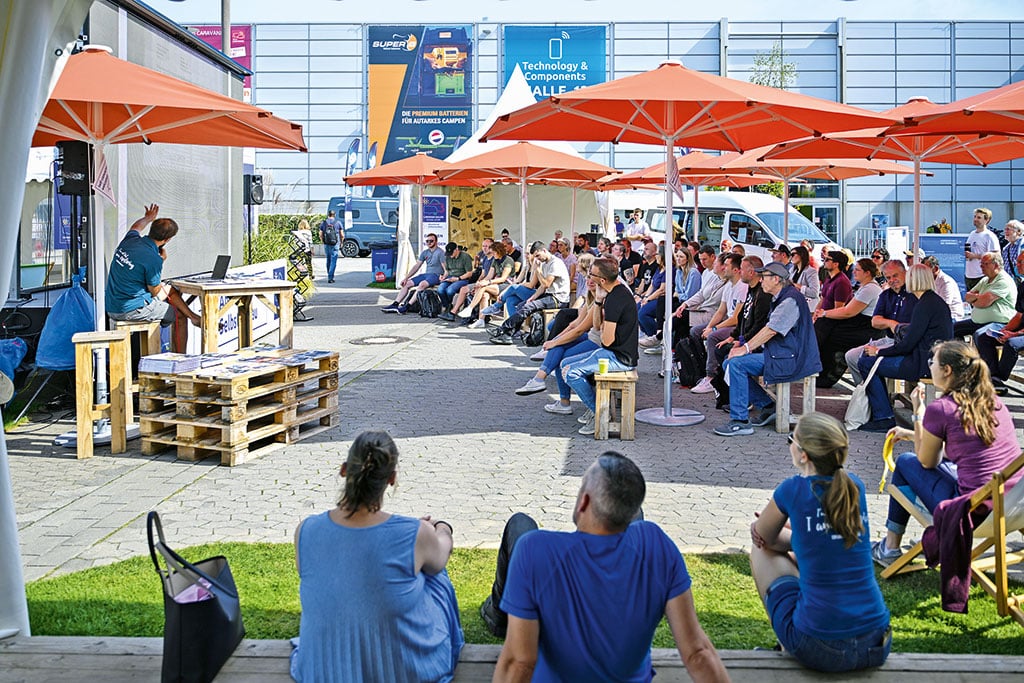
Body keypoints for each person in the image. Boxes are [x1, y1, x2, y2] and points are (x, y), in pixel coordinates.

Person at [483, 452, 729, 683]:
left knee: (521, 524)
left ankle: (497, 616)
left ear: (584, 501)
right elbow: (697, 652)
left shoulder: (534, 549)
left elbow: (520, 661)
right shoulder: (655, 544)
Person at [290, 431, 464, 682]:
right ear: (391, 479)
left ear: (343, 470)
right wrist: (441, 527)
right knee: (435, 576)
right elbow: (440, 555)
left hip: (321, 671)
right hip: (402, 674)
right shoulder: (415, 533)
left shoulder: (306, 529)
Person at [750, 413, 892, 673]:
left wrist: (766, 528)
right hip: (876, 641)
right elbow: (825, 540)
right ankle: (789, 640)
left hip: (820, 647)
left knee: (760, 551)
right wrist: (800, 532)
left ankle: (785, 644)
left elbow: (764, 537)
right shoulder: (854, 488)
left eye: (792, 439)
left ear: (803, 454)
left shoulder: (792, 489)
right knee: (812, 555)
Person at [871, 341, 1023, 566]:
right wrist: (913, 434)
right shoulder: (993, 402)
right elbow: (963, 445)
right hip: (1013, 505)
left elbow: (927, 461)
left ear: (947, 370)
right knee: (945, 465)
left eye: (933, 362)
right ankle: (890, 546)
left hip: (973, 514)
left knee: (905, 462)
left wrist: (918, 413)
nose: (929, 366)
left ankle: (891, 547)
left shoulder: (941, 408)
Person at [714, 262, 821, 437]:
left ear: (776, 279)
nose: (761, 280)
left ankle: (740, 421)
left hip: (792, 358)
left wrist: (746, 348)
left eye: (764, 277)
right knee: (729, 363)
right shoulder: (783, 296)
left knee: (736, 364)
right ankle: (768, 406)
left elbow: (771, 330)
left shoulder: (790, 300)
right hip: (784, 353)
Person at [856, 265, 954, 432]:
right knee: (870, 360)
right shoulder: (931, 301)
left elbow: (908, 343)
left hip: (924, 363)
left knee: (866, 363)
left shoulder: (924, 304)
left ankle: (883, 417)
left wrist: (879, 352)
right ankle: (882, 412)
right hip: (931, 358)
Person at [562, 257, 640, 436]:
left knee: (571, 372)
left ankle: (600, 412)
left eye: (592, 274)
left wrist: (606, 327)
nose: (589, 277)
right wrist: (597, 301)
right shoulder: (610, 293)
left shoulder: (616, 299)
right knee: (565, 362)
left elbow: (607, 340)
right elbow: (597, 326)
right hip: (613, 352)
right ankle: (595, 408)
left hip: (620, 358)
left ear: (602, 280)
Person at [106, 203, 202, 328]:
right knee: (178, 314)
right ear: (167, 240)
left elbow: (136, 227)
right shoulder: (154, 259)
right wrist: (160, 262)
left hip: (112, 305)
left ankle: (194, 317)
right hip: (131, 310)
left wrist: (148, 218)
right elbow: (155, 291)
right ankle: (173, 338)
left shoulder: (130, 240)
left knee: (171, 290)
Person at [844, 259, 918, 386]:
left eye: (895, 276)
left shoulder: (914, 294)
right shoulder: (885, 295)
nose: (892, 280)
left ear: (905, 273)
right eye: (888, 277)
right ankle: (866, 392)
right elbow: (875, 321)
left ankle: (875, 394)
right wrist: (891, 323)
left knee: (867, 360)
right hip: (888, 339)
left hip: (907, 343)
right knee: (851, 356)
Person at [812, 258, 881, 387]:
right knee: (825, 326)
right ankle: (819, 369)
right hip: (859, 324)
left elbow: (848, 312)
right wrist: (823, 314)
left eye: (858, 270)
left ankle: (827, 375)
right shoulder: (864, 287)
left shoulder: (870, 289)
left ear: (867, 273)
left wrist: (825, 313)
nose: (854, 272)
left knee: (830, 334)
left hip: (867, 329)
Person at [489, 242, 571, 345]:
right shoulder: (545, 263)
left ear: (544, 250)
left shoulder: (555, 263)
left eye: (538, 255)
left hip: (559, 299)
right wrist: (533, 297)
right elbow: (542, 287)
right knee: (521, 305)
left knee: (528, 306)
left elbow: (546, 284)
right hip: (549, 295)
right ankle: (509, 335)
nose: (537, 259)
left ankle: (503, 329)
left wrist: (538, 270)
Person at [953, 251, 1017, 338]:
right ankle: (959, 351)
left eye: (985, 263)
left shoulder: (1003, 281)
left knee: (981, 335)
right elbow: (967, 297)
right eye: (981, 263)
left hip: (999, 323)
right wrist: (978, 298)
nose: (981, 266)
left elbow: (983, 302)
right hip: (978, 322)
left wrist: (975, 300)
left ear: (996, 265)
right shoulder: (985, 280)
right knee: (953, 328)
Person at [381, 233, 445, 315]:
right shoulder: (425, 252)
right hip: (426, 274)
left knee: (422, 284)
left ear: (436, 242)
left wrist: (444, 277)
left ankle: (407, 306)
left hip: (436, 275)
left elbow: (445, 268)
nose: (429, 243)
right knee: (407, 284)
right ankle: (395, 304)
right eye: (427, 241)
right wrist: (406, 278)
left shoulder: (440, 253)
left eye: (431, 241)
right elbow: (417, 266)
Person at [458, 241, 516, 329]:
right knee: (484, 295)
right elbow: (489, 275)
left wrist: (487, 282)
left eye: (493, 252)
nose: (492, 254)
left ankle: (470, 308)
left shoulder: (508, 260)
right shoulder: (495, 260)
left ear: (499, 251)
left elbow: (503, 278)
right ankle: (481, 320)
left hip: (506, 285)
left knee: (483, 287)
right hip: (495, 284)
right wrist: (480, 283)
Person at [964, 207, 1000, 290]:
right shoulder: (972, 234)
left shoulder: (989, 236)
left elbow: (996, 255)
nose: (975, 219)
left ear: (986, 220)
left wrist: (975, 256)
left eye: (979, 217)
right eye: (975, 216)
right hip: (969, 275)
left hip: (981, 275)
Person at [922, 255, 965, 319]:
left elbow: (943, 307)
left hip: (952, 317)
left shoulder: (946, 282)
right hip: (938, 316)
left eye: (926, 270)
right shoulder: (929, 280)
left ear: (936, 269)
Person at [437, 242, 474, 316]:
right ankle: (447, 306)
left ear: (456, 250)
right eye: (449, 254)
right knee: (440, 289)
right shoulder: (447, 257)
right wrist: (443, 276)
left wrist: (458, 278)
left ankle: (450, 308)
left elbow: (469, 273)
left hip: (462, 279)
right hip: (450, 277)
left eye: (451, 253)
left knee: (450, 291)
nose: (450, 256)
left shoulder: (465, 257)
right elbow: (447, 271)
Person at [790, 245, 820, 311]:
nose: (791, 257)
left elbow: (814, 292)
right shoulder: (792, 270)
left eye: (793, 254)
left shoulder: (811, 271)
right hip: (796, 306)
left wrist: (799, 287)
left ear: (801, 255)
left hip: (808, 307)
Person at [318, 210, 344, 283]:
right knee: (333, 260)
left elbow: (320, 234)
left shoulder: (324, 223)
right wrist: (341, 242)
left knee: (328, 259)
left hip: (327, 243)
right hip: (335, 243)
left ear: (328, 215)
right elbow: (342, 235)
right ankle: (330, 277)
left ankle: (329, 274)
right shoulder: (338, 223)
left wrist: (323, 241)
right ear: (334, 215)